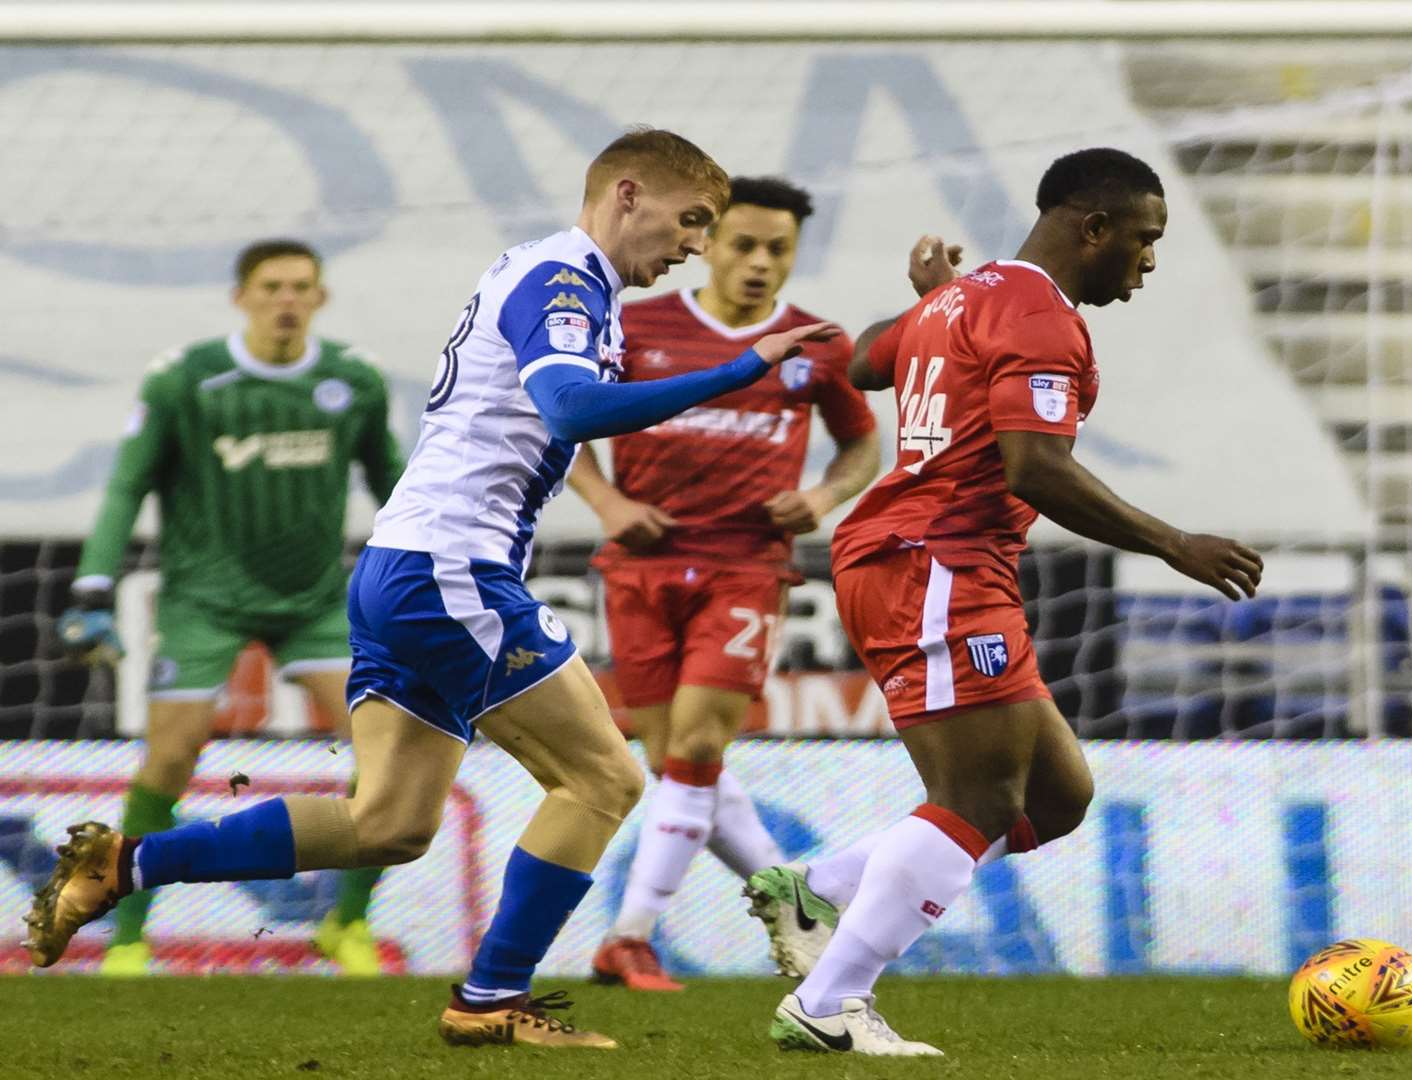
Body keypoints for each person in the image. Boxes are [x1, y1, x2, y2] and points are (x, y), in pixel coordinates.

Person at [26, 127, 837, 1050]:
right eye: (690, 220)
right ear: (625, 193)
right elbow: (571, 407)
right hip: (450, 571)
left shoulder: (558, 277)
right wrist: (745, 365)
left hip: (404, 568)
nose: (696, 245)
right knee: (605, 776)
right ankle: (491, 1000)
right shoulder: (566, 279)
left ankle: (123, 863)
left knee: (388, 823)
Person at [745, 148, 1263, 1056]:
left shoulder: (969, 296)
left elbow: (867, 360)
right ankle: (830, 1001)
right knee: (978, 797)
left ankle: (818, 889)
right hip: (935, 559)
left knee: (1057, 796)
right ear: (1091, 227)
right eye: (1144, 240)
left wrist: (933, 306)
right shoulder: (1038, 318)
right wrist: (1176, 542)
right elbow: (1037, 468)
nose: (1149, 261)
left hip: (931, 557)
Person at [56, 238, 404, 977]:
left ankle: (346, 922)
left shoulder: (355, 381)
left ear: (320, 299)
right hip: (204, 601)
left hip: (314, 602)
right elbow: (127, 486)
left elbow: (397, 487)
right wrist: (93, 585)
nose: (287, 299)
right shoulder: (186, 379)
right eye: (272, 286)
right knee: (174, 753)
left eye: (301, 287)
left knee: (382, 752)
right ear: (241, 297)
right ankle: (128, 939)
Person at [570, 176, 880, 992]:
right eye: (743, 243)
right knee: (676, 762)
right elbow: (561, 421)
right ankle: (796, 906)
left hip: (746, 565)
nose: (760, 262)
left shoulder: (817, 345)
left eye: (779, 249)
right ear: (707, 242)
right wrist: (607, 501)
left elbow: (862, 448)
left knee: (700, 747)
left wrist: (820, 496)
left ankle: (629, 935)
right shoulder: (636, 326)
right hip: (639, 566)